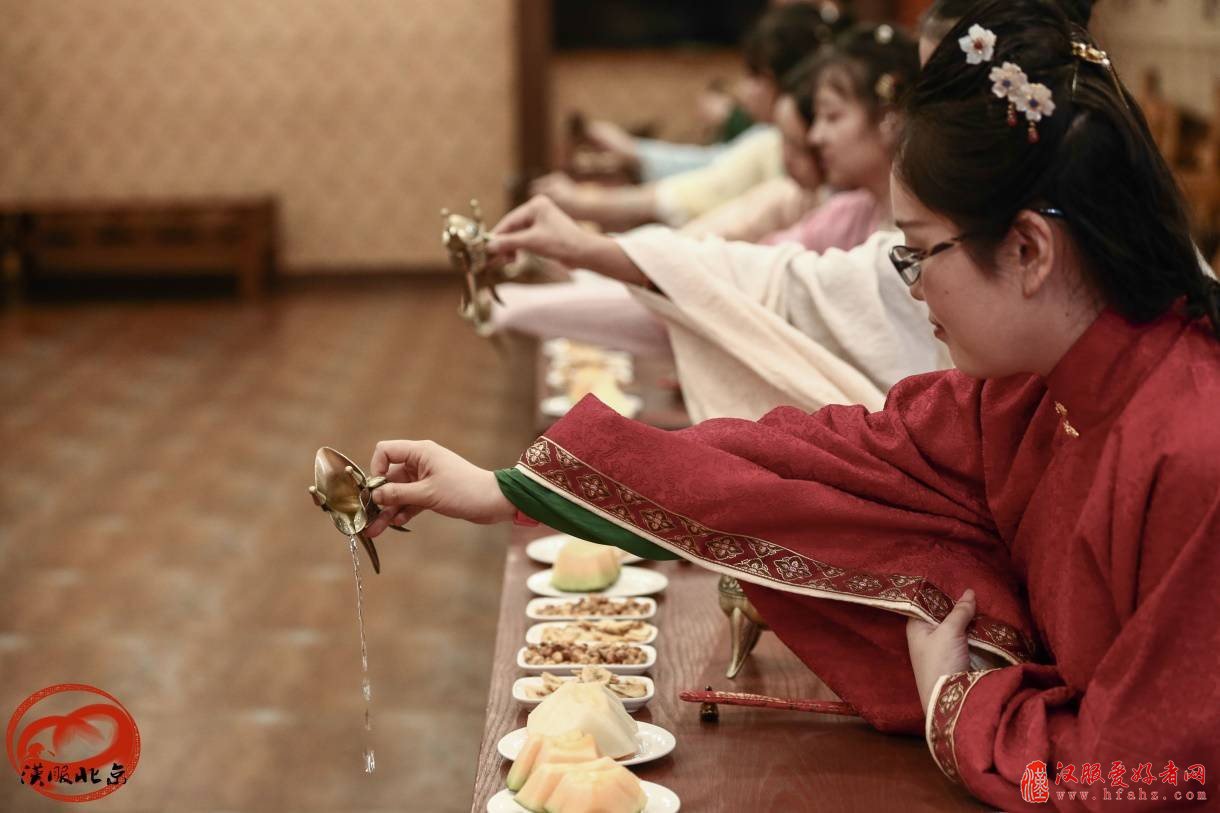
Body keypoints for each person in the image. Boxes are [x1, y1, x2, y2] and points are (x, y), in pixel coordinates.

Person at [363, 0, 1220, 808]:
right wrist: (511, 488)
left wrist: (960, 704)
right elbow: (808, 460)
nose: (914, 290)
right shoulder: (1031, 393)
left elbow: (1151, 780)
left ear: (1029, 248)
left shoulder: (1190, 449)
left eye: (918, 254)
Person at [491, 25, 940, 421]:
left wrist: (588, 260)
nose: (816, 137)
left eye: (831, 116)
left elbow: (752, 280)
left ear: (890, 118)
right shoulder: (849, 211)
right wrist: (596, 257)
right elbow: (757, 274)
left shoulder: (894, 228)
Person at [532, 3, 842, 232]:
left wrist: (587, 207)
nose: (743, 90)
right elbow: (710, 173)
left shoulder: (770, 148)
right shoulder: (773, 160)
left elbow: (704, 191)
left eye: (755, 76)